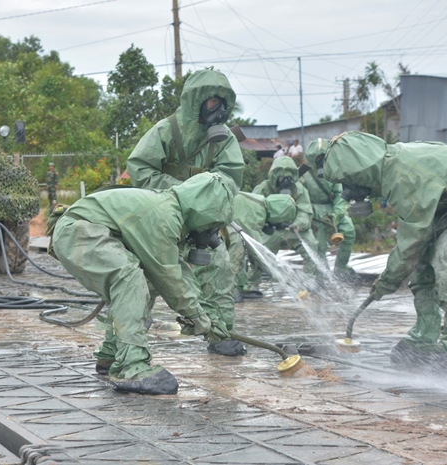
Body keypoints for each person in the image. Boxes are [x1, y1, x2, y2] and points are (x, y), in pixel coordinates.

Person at [324, 131, 447, 369]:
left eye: (348, 181)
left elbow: (411, 241)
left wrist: (387, 280)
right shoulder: (388, 166)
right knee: (421, 269)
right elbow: (415, 241)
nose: (348, 190)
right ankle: (425, 337)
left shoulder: (400, 174)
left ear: (361, 170)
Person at [51, 172, 238, 395]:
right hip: (79, 232)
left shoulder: (173, 213)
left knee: (145, 284)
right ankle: (130, 367)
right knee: (129, 278)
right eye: (211, 225)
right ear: (204, 212)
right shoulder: (165, 216)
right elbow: (170, 279)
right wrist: (197, 316)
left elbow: (178, 273)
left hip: (87, 230)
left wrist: (207, 317)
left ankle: (111, 354)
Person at [126, 68, 246, 356]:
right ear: (196, 101)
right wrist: (182, 191)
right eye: (212, 102)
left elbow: (231, 176)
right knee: (147, 280)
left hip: (201, 220)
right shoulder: (167, 130)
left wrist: (207, 201)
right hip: (162, 216)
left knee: (219, 269)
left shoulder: (223, 139)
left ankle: (220, 334)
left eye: (223, 103)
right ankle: (118, 346)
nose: (219, 110)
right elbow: (139, 168)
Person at [245, 156, 321, 297]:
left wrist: (298, 224)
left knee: (311, 243)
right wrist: (263, 224)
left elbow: (305, 211)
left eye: (289, 176)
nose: (285, 180)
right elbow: (252, 209)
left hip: (293, 228)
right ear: (273, 175)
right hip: (270, 229)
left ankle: (308, 280)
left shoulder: (299, 190)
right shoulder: (263, 188)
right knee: (256, 249)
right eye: (281, 176)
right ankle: (251, 283)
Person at [301, 138, 356, 279]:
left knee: (348, 231)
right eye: (318, 158)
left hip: (332, 209)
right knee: (319, 245)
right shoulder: (303, 175)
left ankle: (340, 269)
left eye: (324, 158)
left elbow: (341, 194)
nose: (321, 162)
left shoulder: (335, 172)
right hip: (313, 212)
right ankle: (322, 274)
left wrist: (336, 214)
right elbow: (299, 197)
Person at [227, 193, 297, 298]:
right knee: (235, 254)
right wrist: (276, 274)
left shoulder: (259, 201)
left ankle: (239, 287)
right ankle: (228, 290)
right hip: (226, 230)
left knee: (239, 251)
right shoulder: (257, 212)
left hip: (228, 227)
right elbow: (258, 251)